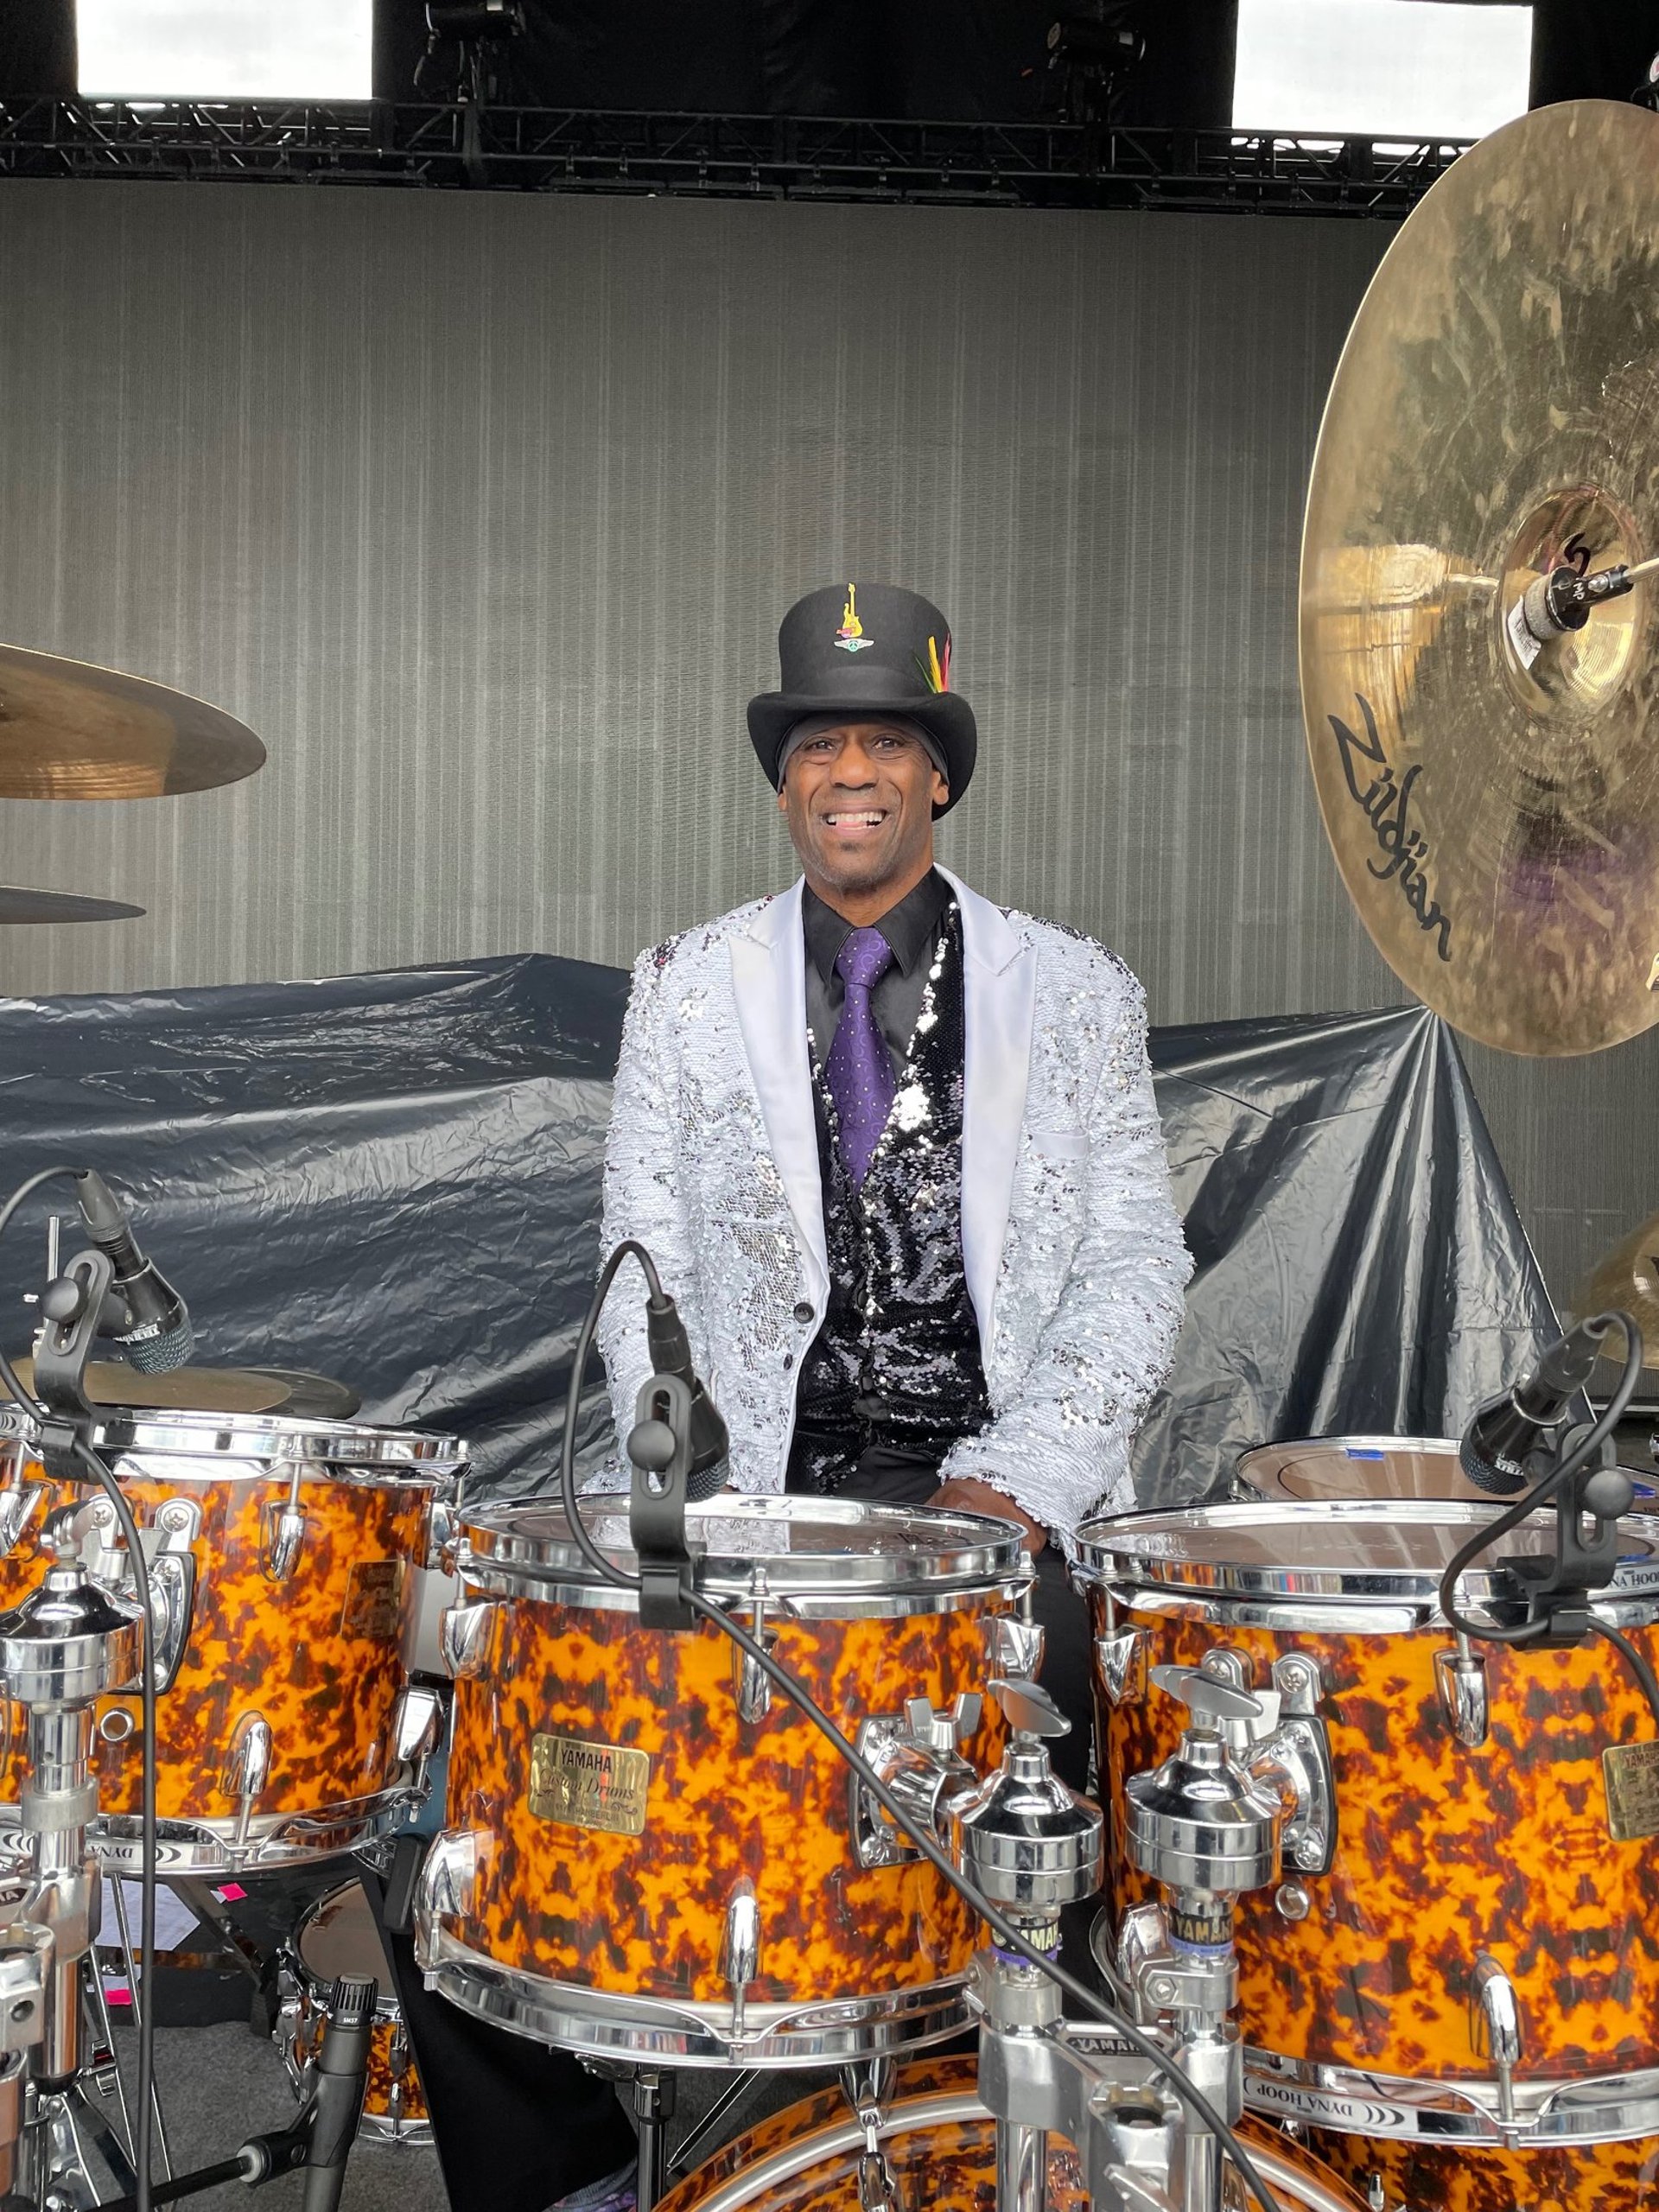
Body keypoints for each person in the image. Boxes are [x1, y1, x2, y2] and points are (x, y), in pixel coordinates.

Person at [568, 580, 1192, 2212]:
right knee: (549, 1756)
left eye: (886, 744)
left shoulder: (1077, 992)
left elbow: (1137, 1270)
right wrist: (691, 1488)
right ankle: (627, 2157)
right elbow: (641, 1266)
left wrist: (1018, 1485)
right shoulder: (681, 985)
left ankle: (984, 2132)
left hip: (991, 1504)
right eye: (818, 745)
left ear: (938, 777)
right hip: (760, 1495)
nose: (850, 772)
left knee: (1040, 1748)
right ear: (786, 782)